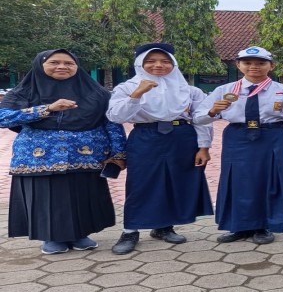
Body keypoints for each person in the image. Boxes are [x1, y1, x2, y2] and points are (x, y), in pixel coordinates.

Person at [0, 49, 125, 254]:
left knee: (82, 194)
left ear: (77, 66)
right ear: (40, 65)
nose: (62, 67)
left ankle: (80, 234)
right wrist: (47, 109)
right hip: (39, 157)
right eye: (54, 62)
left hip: (85, 155)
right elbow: (3, 117)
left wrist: (118, 153)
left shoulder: (97, 92)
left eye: (68, 63)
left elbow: (112, 122)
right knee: (46, 197)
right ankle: (52, 237)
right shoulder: (23, 92)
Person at [106, 43, 214, 254]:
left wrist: (204, 147)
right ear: (140, 64)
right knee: (140, 184)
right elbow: (115, 116)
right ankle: (130, 231)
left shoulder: (188, 90)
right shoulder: (127, 87)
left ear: (174, 64)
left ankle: (164, 227)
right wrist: (137, 94)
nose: (158, 65)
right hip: (146, 136)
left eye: (165, 61)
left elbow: (201, 119)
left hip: (182, 137)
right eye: (151, 61)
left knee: (174, 182)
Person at [194, 46, 283, 244]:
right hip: (237, 137)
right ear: (238, 65)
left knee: (269, 180)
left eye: (261, 63)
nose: (254, 67)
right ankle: (238, 225)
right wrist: (212, 111)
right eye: (247, 63)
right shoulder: (224, 90)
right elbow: (198, 118)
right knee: (237, 180)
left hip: (273, 137)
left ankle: (264, 225)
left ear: (271, 66)